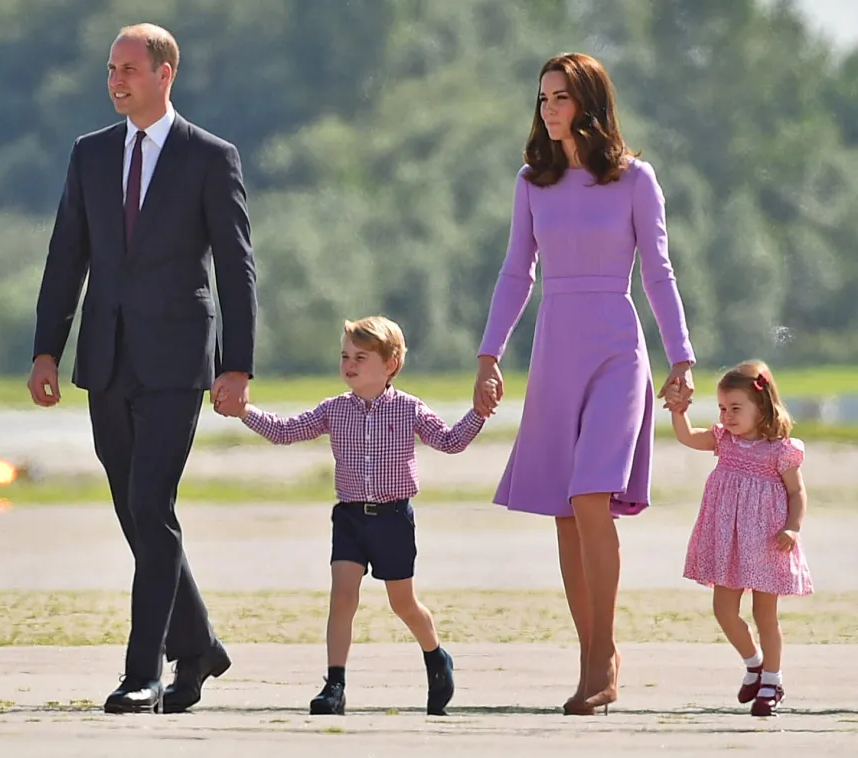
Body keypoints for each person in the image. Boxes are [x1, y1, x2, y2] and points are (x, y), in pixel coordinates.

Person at [27, 23, 258, 714]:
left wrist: (238, 365)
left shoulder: (210, 158)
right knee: (135, 508)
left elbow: (237, 267)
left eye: (128, 68)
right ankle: (199, 646)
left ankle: (144, 671)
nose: (116, 79)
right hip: (106, 354)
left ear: (165, 74)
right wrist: (47, 346)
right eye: (110, 68)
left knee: (150, 502)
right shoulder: (90, 154)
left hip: (179, 357)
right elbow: (68, 254)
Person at [473, 52, 697, 716]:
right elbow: (517, 274)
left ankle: (603, 658)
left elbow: (659, 272)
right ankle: (590, 655)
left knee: (593, 494)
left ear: (590, 103)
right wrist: (490, 356)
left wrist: (681, 358)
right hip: (555, 352)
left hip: (617, 352)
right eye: (543, 98)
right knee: (568, 513)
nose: (549, 108)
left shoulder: (635, 180)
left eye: (561, 96)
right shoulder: (530, 182)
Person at [226, 316, 485, 716]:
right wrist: (245, 410)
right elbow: (284, 431)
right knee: (342, 596)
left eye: (361, 357)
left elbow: (450, 442)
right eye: (345, 355)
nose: (349, 364)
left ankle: (436, 658)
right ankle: (335, 684)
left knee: (404, 604)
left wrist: (480, 413)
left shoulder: (408, 410)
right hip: (349, 518)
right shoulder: (334, 410)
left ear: (391, 364)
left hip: (393, 518)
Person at [664, 360, 812, 718]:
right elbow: (686, 437)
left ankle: (772, 682)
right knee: (724, 610)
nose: (727, 416)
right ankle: (754, 663)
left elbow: (797, 492)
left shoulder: (780, 450)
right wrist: (679, 412)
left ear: (761, 408)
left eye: (735, 408)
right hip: (728, 542)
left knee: (766, 616)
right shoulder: (723, 440)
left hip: (766, 541)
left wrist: (792, 527)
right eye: (722, 408)